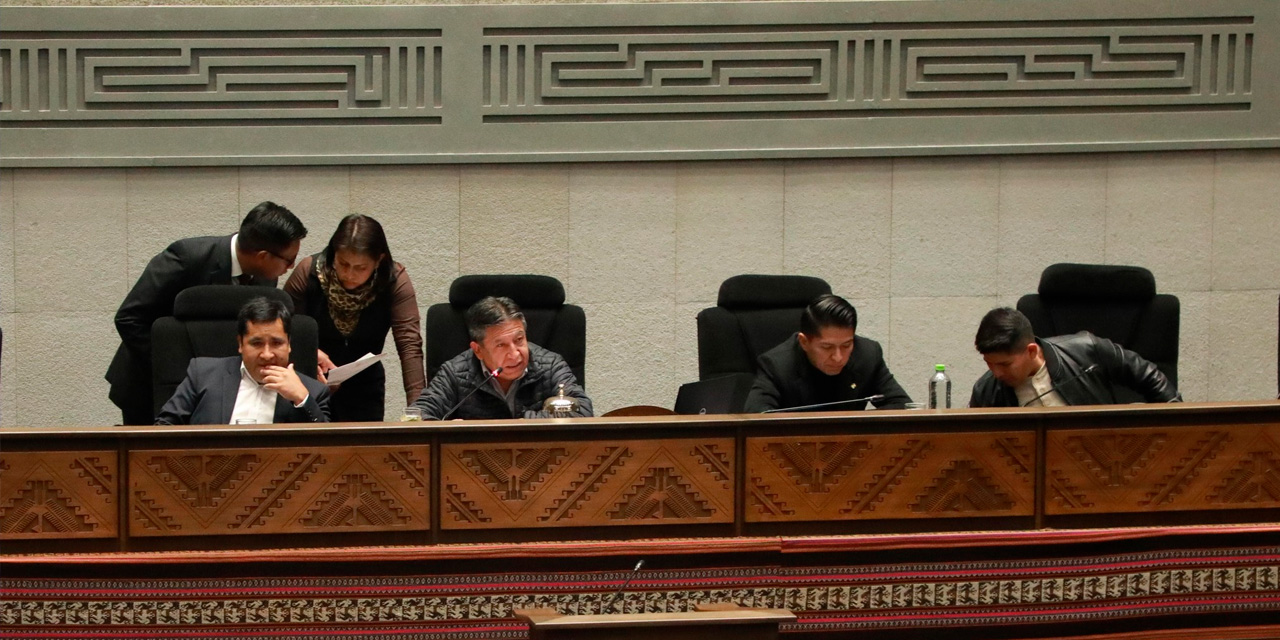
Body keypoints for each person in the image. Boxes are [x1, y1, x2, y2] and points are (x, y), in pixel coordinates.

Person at [106, 202, 308, 425]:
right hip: (150, 383)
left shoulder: (265, 274)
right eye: (288, 260)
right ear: (262, 256)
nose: (290, 267)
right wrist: (172, 367)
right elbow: (129, 318)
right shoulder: (186, 258)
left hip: (215, 390)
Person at [284, 214, 424, 422]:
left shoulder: (394, 280)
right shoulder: (308, 272)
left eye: (360, 268)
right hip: (310, 382)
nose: (349, 274)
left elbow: (409, 345)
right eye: (343, 263)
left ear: (379, 260)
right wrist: (308, 354)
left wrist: (417, 412)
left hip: (365, 387)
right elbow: (282, 331)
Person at [156, 297, 330, 425]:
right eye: (257, 343)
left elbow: (330, 450)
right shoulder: (202, 374)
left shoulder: (313, 392)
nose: (267, 355)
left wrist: (302, 399)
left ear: (289, 344)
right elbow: (163, 429)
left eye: (277, 343)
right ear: (240, 344)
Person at [413, 296, 592, 420]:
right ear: (478, 350)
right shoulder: (455, 373)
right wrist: (452, 433)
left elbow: (584, 411)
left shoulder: (550, 365)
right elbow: (417, 415)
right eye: (501, 345)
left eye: (519, 340)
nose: (515, 354)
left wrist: (523, 422)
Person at [969, 307, 1181, 408]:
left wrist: (1176, 423)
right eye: (990, 364)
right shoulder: (985, 391)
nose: (996, 373)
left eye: (1005, 364)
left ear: (1031, 351)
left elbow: (1147, 375)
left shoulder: (1087, 349)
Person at [744, 294, 911, 412]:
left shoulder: (868, 354)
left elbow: (902, 405)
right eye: (827, 347)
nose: (838, 357)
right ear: (804, 342)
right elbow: (757, 416)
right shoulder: (776, 364)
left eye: (846, 345)